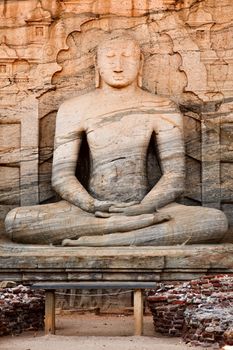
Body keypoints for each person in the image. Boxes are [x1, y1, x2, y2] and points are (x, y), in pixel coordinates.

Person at [5, 33, 228, 246]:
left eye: (127, 57)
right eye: (110, 57)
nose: (118, 65)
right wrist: (91, 204)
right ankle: (133, 230)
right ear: (97, 64)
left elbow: (175, 177)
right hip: (89, 211)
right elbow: (62, 177)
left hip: (148, 207)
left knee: (215, 222)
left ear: (140, 62)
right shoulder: (74, 108)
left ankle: (108, 238)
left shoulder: (161, 107)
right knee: (16, 221)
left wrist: (144, 207)